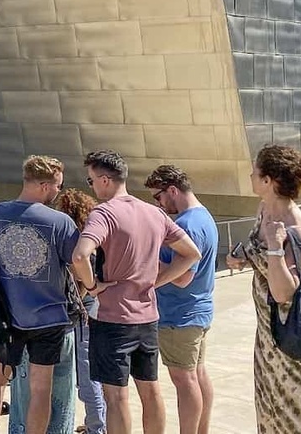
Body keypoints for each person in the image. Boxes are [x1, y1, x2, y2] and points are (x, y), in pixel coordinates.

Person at [72, 150, 201, 434]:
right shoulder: (154, 212)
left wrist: (92, 287)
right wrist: (158, 280)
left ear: (105, 180)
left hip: (112, 319)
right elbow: (192, 253)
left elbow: (80, 257)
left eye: (91, 180)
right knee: (151, 391)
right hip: (147, 318)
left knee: (116, 398)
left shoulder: (103, 213)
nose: (91, 185)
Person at [0, 156, 77, 434]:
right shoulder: (61, 222)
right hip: (49, 316)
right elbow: (75, 263)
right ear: (45, 185)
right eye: (57, 185)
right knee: (40, 388)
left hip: (4, 314)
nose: (58, 191)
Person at [226, 144, 301, 434]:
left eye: (255, 172)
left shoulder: (294, 227)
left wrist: (274, 247)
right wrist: (243, 256)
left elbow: (285, 293)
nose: (250, 176)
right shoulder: (264, 212)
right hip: (266, 340)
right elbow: (258, 254)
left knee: (291, 418)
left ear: (269, 180)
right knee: (268, 414)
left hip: (289, 343)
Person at [145, 165, 218, 434]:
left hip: (179, 315)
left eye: (158, 196)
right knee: (197, 375)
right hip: (198, 311)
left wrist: (150, 266)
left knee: (184, 379)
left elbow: (184, 276)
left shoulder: (186, 224)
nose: (159, 203)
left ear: (172, 190)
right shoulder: (204, 217)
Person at [50, 188, 107, 434]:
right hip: (94, 311)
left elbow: (81, 284)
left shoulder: (79, 244)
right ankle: (97, 422)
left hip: (82, 314)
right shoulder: (95, 237)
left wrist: (76, 301)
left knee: (86, 376)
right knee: (91, 372)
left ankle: (97, 427)